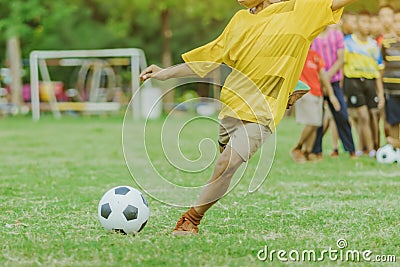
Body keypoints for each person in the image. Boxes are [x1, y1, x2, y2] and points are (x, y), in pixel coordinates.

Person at [140, 0, 358, 235]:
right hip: (232, 107)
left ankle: (191, 220)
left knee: (227, 164)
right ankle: (286, 89)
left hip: (264, 110)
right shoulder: (239, 20)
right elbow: (209, 59)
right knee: (224, 161)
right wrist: (165, 73)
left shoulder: (301, 9)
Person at [310, 26, 356, 159]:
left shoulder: (336, 35)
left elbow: (340, 59)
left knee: (341, 115)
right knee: (317, 118)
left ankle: (350, 149)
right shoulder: (312, 35)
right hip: (316, 82)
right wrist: (322, 79)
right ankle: (316, 150)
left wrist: (327, 77)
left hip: (334, 81)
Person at [343, 11, 385, 157]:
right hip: (353, 81)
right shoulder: (347, 42)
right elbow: (342, 66)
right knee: (363, 115)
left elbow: (378, 70)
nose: (367, 26)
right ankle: (370, 150)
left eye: (369, 23)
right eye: (363, 22)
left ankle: (368, 147)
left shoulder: (374, 45)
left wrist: (380, 93)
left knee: (373, 115)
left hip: (370, 82)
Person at [290, 49, 340, 163]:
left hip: (318, 93)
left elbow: (323, 76)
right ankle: (298, 147)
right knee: (312, 123)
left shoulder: (316, 55)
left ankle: (307, 152)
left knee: (316, 124)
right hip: (306, 93)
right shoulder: (298, 54)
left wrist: (331, 94)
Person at [381, 7, 400, 149]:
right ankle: (395, 149)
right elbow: (383, 66)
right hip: (391, 89)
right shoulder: (386, 43)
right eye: (396, 21)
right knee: (393, 120)